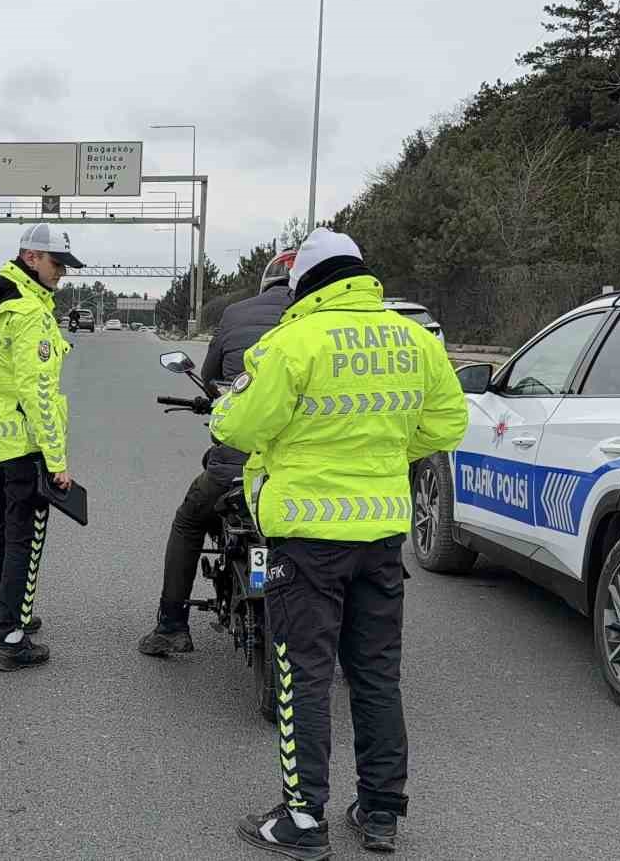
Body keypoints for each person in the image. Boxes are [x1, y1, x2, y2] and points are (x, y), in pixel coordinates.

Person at [211, 229, 466, 859]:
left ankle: (303, 819)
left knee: (304, 674)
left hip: (305, 538)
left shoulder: (294, 341)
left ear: (305, 284)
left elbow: (240, 423)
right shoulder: (414, 339)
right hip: (381, 535)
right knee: (377, 674)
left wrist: (234, 420)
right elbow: (448, 423)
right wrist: (382, 458)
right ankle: (381, 812)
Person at [137, 251, 294, 656]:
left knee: (189, 521)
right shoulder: (323, 322)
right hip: (301, 470)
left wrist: (213, 400)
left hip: (236, 469)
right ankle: (349, 646)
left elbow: (208, 380)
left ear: (265, 283)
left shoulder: (237, 314)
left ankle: (171, 625)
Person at [0, 223, 79, 672]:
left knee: (0, 528)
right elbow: (38, 391)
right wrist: (56, 459)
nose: (62, 273)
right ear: (31, 258)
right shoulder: (28, 313)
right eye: (57, 263)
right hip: (23, 440)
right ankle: (11, 635)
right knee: (23, 538)